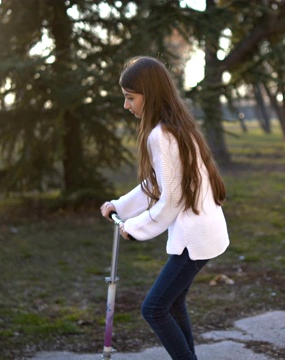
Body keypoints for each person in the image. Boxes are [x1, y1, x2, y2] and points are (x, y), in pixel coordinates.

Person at [99, 56, 230, 360]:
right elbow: (156, 184)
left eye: (130, 98)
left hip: (194, 238)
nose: (126, 105)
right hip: (204, 231)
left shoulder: (161, 135)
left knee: (154, 309)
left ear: (150, 94)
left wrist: (134, 228)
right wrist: (120, 207)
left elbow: (170, 201)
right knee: (172, 304)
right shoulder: (176, 128)